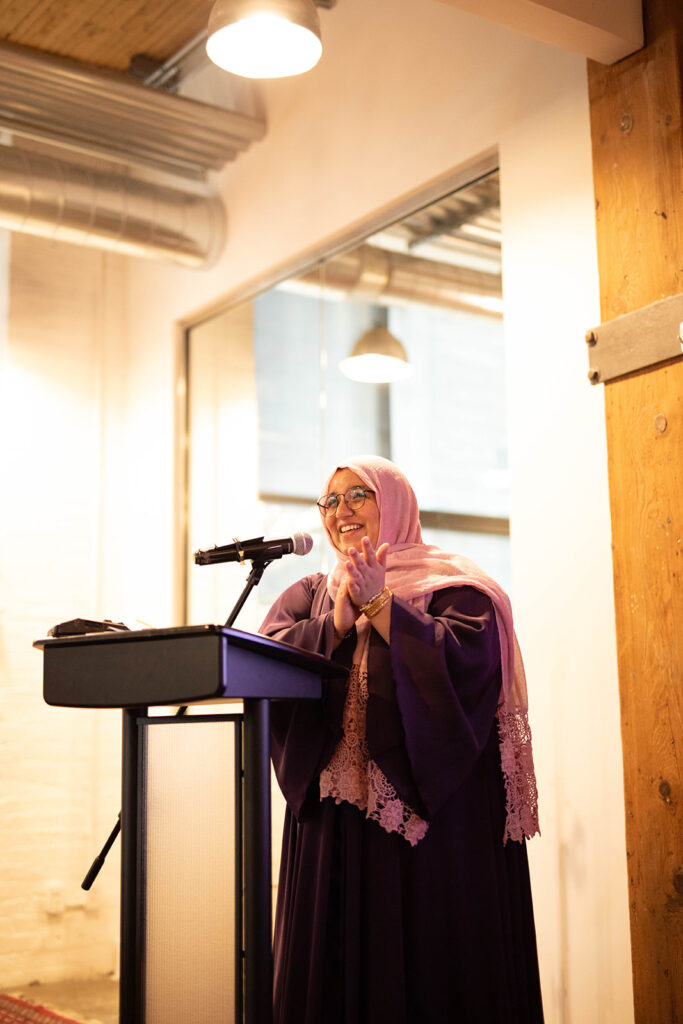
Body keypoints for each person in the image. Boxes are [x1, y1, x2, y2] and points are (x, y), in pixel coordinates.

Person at [259, 455, 544, 1024]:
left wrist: (382, 606)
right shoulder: (312, 594)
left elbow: (469, 666)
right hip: (335, 827)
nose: (340, 511)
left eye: (356, 495)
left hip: (429, 834)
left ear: (394, 503)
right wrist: (335, 625)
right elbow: (269, 658)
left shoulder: (457, 588)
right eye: (330, 500)